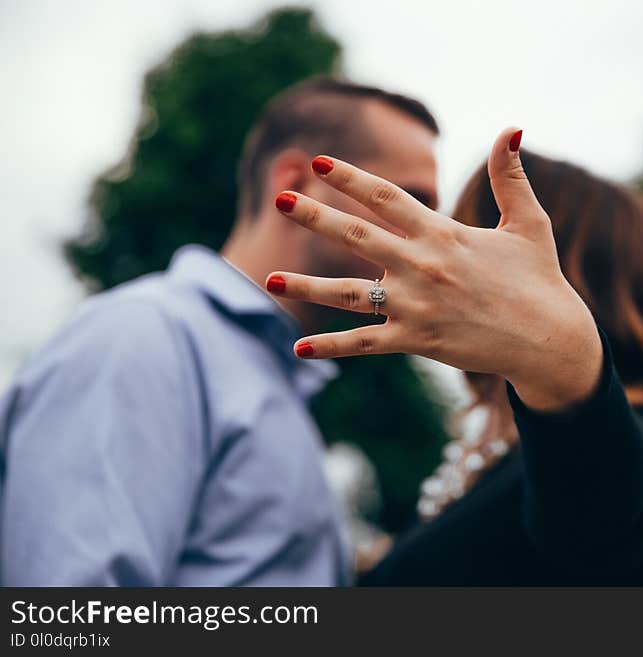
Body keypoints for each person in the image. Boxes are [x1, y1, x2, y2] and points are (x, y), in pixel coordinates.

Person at [0, 78, 441, 586]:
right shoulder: (143, 337)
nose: (427, 230)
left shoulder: (268, 369)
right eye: (406, 199)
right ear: (296, 183)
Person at [266, 138, 643, 585]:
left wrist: (563, 360)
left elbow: (599, 535)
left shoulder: (637, 440)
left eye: (466, 235)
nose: (438, 261)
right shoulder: (498, 457)